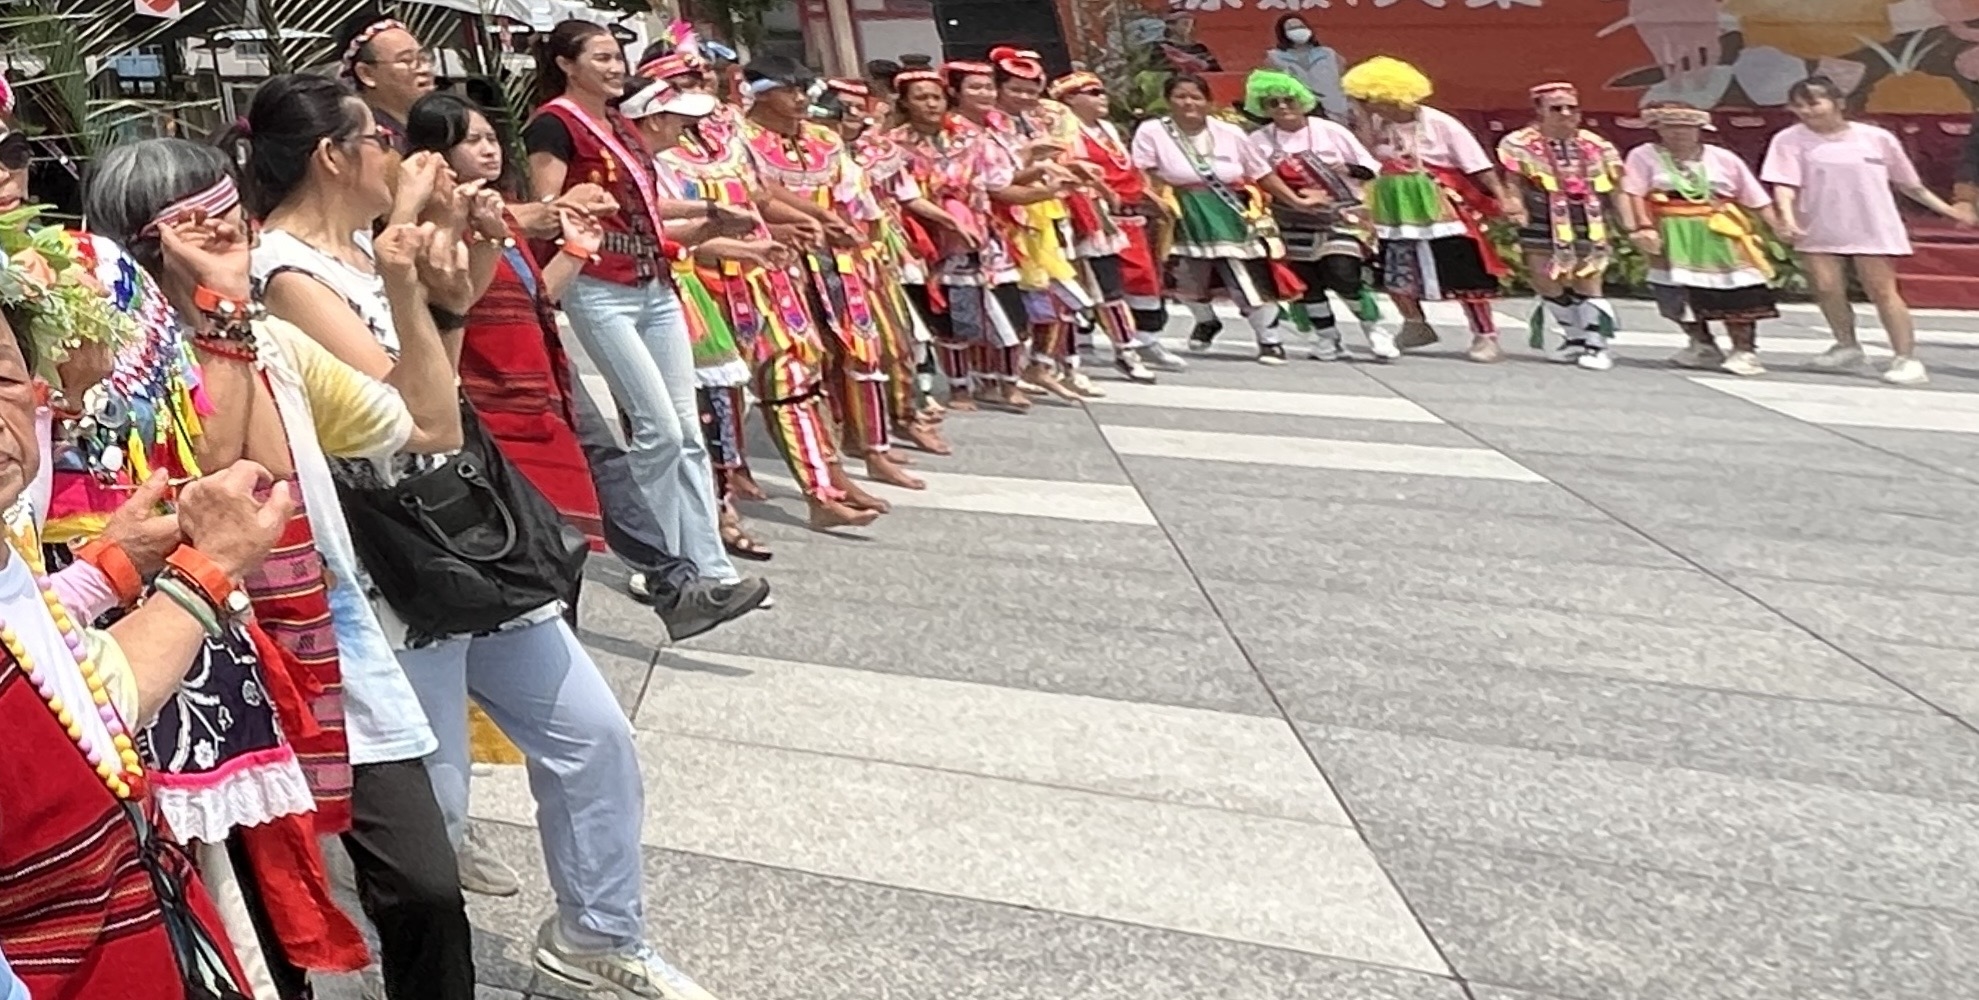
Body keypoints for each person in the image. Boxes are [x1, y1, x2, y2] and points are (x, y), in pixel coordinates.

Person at [224, 72, 484, 999]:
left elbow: (435, 412)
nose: (229, 244)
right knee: (286, 896)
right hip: (362, 570)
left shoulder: (286, 320)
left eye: (226, 223)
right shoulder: (282, 276)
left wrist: (432, 280)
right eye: (378, 137)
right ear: (333, 156)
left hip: (390, 566)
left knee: (425, 873)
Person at [405, 91, 773, 623]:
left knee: (609, 464)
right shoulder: (439, 224)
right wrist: (499, 234)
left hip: (541, 367)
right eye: (472, 141)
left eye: (491, 138)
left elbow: (538, 296)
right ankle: (591, 606)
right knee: (538, 507)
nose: (489, 150)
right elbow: (461, 298)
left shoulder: (494, 211)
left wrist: (576, 249)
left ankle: (675, 585)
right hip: (488, 381)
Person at [524, 19, 755, 590]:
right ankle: (656, 562)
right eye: (601, 57)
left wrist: (708, 214)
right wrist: (575, 206)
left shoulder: (621, 126)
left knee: (688, 431)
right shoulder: (554, 124)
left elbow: (647, 203)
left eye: (617, 56)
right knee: (659, 429)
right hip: (600, 284)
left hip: (654, 283)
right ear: (566, 65)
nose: (615, 67)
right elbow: (548, 208)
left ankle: (708, 563)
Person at [743, 55, 926, 485]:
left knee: (863, 346)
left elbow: (852, 193)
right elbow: (755, 194)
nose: (800, 98)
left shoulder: (823, 138)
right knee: (802, 358)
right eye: (788, 90)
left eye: (802, 89)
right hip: (778, 260)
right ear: (761, 94)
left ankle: (873, 448)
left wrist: (858, 235)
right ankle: (823, 456)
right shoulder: (742, 138)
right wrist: (813, 219)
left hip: (838, 258)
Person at [1762, 75, 1973, 386]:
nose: (1806, 111)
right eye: (1798, 106)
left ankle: (1905, 357)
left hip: (1872, 223)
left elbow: (1910, 185)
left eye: (1813, 103)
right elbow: (1785, 184)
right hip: (1818, 223)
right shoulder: (1788, 139)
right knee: (1826, 287)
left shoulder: (1877, 138)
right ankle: (1846, 345)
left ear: (1839, 103)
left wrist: (1949, 211)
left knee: (1882, 291)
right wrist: (1788, 218)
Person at [1132, 73, 1325, 365]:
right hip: (1180, 210)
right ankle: (1206, 320)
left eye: (1196, 97)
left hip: (1229, 209)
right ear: (1168, 101)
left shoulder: (1229, 132)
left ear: (1208, 102)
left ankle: (1269, 340)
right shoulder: (1152, 131)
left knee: (1246, 274)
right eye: (1180, 97)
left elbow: (1261, 172)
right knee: (1183, 273)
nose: (1188, 103)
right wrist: (1154, 203)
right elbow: (1142, 172)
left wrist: (1295, 200)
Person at [1341, 56, 1514, 363]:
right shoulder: (1375, 124)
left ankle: (1485, 335)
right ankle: (1415, 324)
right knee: (1395, 266)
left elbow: (1477, 165)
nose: (1369, 105)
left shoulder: (1440, 123)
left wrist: (1504, 197)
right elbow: (1365, 159)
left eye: (1371, 100)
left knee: (1462, 266)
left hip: (1438, 203)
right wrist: (1364, 121)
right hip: (1393, 206)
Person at [1621, 102, 1784, 377]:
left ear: (1700, 129)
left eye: (1687, 127)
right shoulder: (1643, 155)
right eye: (1671, 127)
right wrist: (1641, 228)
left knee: (1736, 291)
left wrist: (1779, 226)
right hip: (1670, 231)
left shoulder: (1723, 158)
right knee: (1673, 292)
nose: (1679, 133)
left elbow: (1754, 196)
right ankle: (1702, 344)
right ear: (1658, 129)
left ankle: (1744, 350)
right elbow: (1632, 193)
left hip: (1718, 230)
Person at [1241, 68, 1390, 361]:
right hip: (1290, 219)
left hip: (1340, 215)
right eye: (1273, 102)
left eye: (1288, 100)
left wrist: (1345, 169)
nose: (1283, 106)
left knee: (1342, 272)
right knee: (1307, 282)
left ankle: (1373, 327)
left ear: (1302, 100)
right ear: (1263, 107)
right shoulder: (1258, 140)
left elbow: (1371, 168)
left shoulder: (1330, 131)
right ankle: (1326, 337)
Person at [1051, 71, 1188, 376]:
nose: (1102, 98)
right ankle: (1099, 346)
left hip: (1129, 215)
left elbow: (1129, 170)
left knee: (1142, 279)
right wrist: (1099, 197)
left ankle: (1146, 340)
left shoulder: (1108, 129)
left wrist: (1149, 196)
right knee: (1097, 283)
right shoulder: (1065, 132)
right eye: (1093, 93)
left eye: (1102, 91)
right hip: (1094, 216)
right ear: (1070, 99)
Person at [1498, 81, 1632, 371]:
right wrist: (1515, 206)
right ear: (1540, 111)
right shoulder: (1518, 143)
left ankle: (1596, 344)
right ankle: (1574, 337)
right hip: (1540, 214)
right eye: (1556, 108)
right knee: (1543, 276)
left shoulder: (1597, 145)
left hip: (1587, 217)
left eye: (1572, 108)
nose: (1566, 114)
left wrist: (1630, 223)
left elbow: (1617, 187)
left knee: (1588, 277)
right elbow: (1513, 181)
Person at [340, 16, 435, 152]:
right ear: (366, 74)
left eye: (423, 57)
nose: (424, 69)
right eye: (406, 60)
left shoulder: (434, 126)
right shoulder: (365, 142)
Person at [1263, 14, 1348, 123]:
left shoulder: (1328, 53)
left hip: (1336, 110)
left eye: (1301, 26)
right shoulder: (1275, 58)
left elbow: (1344, 78)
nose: (1298, 30)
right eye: (1292, 28)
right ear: (1283, 33)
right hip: (1301, 112)